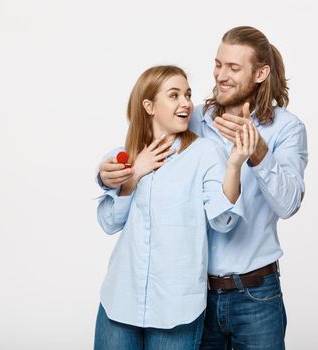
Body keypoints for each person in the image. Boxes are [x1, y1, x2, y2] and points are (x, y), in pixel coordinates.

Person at [98, 26, 308, 349]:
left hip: (255, 293)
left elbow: (290, 203)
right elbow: (141, 144)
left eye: (234, 68)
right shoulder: (192, 118)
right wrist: (108, 174)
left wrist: (257, 153)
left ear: (261, 73)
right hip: (197, 296)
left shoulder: (286, 128)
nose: (221, 75)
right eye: (218, 64)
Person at [94, 65, 257, 350]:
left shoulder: (205, 153)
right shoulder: (126, 154)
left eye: (187, 94)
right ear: (149, 106)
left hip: (176, 309)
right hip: (120, 301)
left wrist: (234, 165)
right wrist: (134, 174)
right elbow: (110, 222)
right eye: (174, 95)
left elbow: (223, 221)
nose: (185, 103)